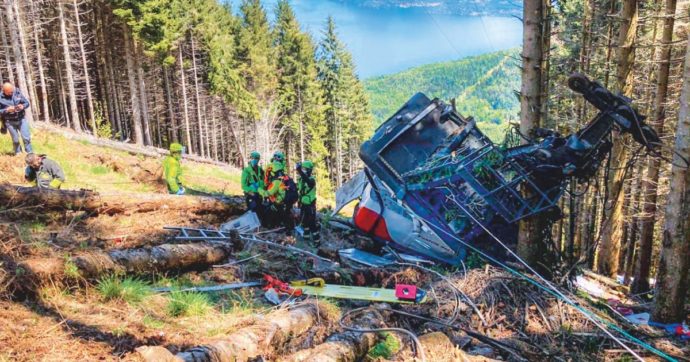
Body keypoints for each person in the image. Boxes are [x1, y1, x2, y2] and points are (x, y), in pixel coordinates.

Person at [259, 151, 295, 232]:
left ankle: (274, 225)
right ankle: (282, 223)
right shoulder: (282, 168)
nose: (276, 159)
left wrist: (262, 188)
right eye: (276, 157)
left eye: (277, 157)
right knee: (281, 210)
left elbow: (266, 179)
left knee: (272, 209)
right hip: (283, 193)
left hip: (275, 191)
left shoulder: (271, 166)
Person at [0, 83, 32, 155]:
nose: (11, 93)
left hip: (21, 119)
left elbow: (27, 103)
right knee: (15, 140)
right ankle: (18, 154)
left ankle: (30, 154)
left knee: (26, 138)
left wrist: (22, 106)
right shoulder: (0, 98)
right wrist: (6, 110)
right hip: (9, 121)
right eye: (9, 92)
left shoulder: (17, 92)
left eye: (12, 91)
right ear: (4, 91)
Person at [296, 160, 319, 242]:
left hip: (310, 205)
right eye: (302, 169)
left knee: (312, 224)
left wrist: (299, 171)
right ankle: (306, 239)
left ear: (309, 170)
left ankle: (317, 241)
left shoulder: (311, 180)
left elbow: (308, 182)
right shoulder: (300, 180)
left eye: (305, 169)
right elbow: (298, 190)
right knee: (305, 223)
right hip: (303, 205)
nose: (303, 170)